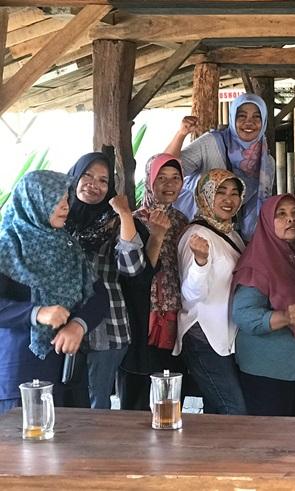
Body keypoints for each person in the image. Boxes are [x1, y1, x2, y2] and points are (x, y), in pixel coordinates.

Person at [0, 171, 105, 414]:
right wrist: (36, 313)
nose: (65, 206)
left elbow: (99, 296)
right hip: (20, 374)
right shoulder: (7, 248)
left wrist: (78, 325)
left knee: (74, 437)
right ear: (34, 200)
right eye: (55, 200)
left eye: (66, 198)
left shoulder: (68, 246)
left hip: (68, 371)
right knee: (25, 438)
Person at [64, 152, 149, 410]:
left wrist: (124, 214)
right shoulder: (60, 217)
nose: (94, 184)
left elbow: (132, 267)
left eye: (103, 180)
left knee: (95, 404)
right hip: (62, 324)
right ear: (75, 177)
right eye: (88, 176)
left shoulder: (114, 223)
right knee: (63, 400)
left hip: (107, 328)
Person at [119, 154, 189, 410]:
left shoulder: (182, 221)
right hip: (142, 314)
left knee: (170, 391)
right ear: (149, 181)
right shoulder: (133, 221)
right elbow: (136, 274)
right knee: (136, 392)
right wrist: (156, 236)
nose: (169, 185)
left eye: (175, 178)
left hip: (173, 314)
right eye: (161, 178)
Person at [175, 169, 247, 415]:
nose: (229, 199)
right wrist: (201, 261)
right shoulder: (195, 235)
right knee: (233, 411)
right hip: (203, 334)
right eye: (220, 192)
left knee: (217, 411)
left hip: (225, 334)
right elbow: (191, 294)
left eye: (234, 193)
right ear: (206, 195)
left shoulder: (232, 234)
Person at [232, 194, 295, 417]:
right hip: (267, 369)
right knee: (271, 434)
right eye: (281, 214)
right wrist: (284, 317)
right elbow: (243, 314)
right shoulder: (258, 262)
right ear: (267, 221)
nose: (291, 219)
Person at [165, 94, 275, 241]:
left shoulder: (266, 163)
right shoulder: (211, 143)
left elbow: (258, 208)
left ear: (264, 121)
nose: (249, 122)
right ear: (232, 118)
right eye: (242, 116)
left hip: (229, 232)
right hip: (190, 225)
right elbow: (167, 168)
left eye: (256, 117)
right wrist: (181, 134)